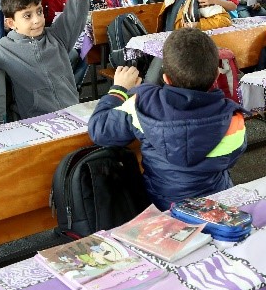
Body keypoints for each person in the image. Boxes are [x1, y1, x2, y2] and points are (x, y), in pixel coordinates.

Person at [88, 28, 248, 210]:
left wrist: (118, 90)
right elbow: (231, 158)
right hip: (216, 204)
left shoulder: (140, 105)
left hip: (161, 205)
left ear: (165, 78)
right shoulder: (234, 120)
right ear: (216, 76)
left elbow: (99, 131)